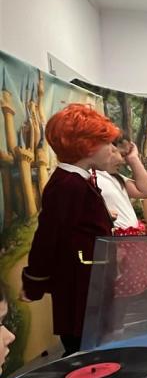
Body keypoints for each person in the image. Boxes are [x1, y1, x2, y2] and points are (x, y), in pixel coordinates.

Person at [20, 104, 121, 356]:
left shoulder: (78, 180)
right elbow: (48, 238)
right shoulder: (67, 184)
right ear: (87, 146)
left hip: (91, 280)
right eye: (106, 143)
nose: (112, 149)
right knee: (83, 349)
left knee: (96, 342)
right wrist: (34, 282)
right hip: (79, 286)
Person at [97, 137, 147, 332]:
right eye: (117, 153)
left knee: (128, 291)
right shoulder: (92, 177)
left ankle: (118, 328)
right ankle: (112, 330)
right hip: (117, 240)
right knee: (117, 290)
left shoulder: (118, 178)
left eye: (124, 155)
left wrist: (134, 159)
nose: (121, 159)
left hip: (133, 240)